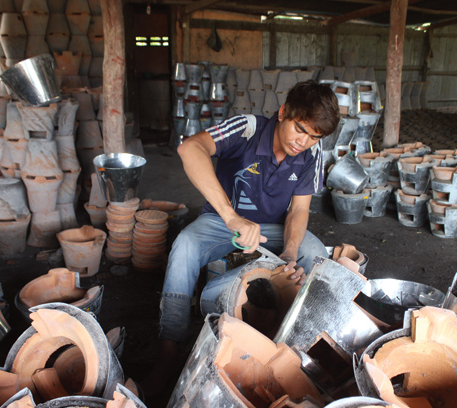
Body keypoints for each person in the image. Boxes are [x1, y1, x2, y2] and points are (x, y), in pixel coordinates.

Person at [143, 79, 340, 395]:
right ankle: (169, 350)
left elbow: (299, 210)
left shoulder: (312, 153)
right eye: (299, 129)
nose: (303, 141)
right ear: (282, 112)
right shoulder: (248, 128)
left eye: (314, 136)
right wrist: (231, 216)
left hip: (272, 229)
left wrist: (290, 252)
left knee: (315, 254)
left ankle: (297, 346)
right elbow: (189, 148)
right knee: (185, 245)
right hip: (221, 221)